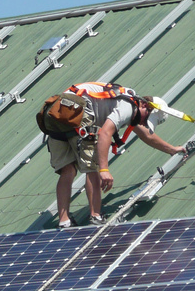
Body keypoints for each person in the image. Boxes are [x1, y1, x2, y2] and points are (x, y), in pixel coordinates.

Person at [47, 82, 186, 228]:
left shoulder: (126, 100)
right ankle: (95, 216)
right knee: (92, 167)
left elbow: (147, 135)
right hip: (77, 110)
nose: (143, 122)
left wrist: (171, 149)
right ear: (145, 106)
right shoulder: (128, 106)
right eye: (146, 118)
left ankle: (64, 221)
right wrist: (104, 170)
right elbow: (106, 132)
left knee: (67, 170)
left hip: (55, 112)